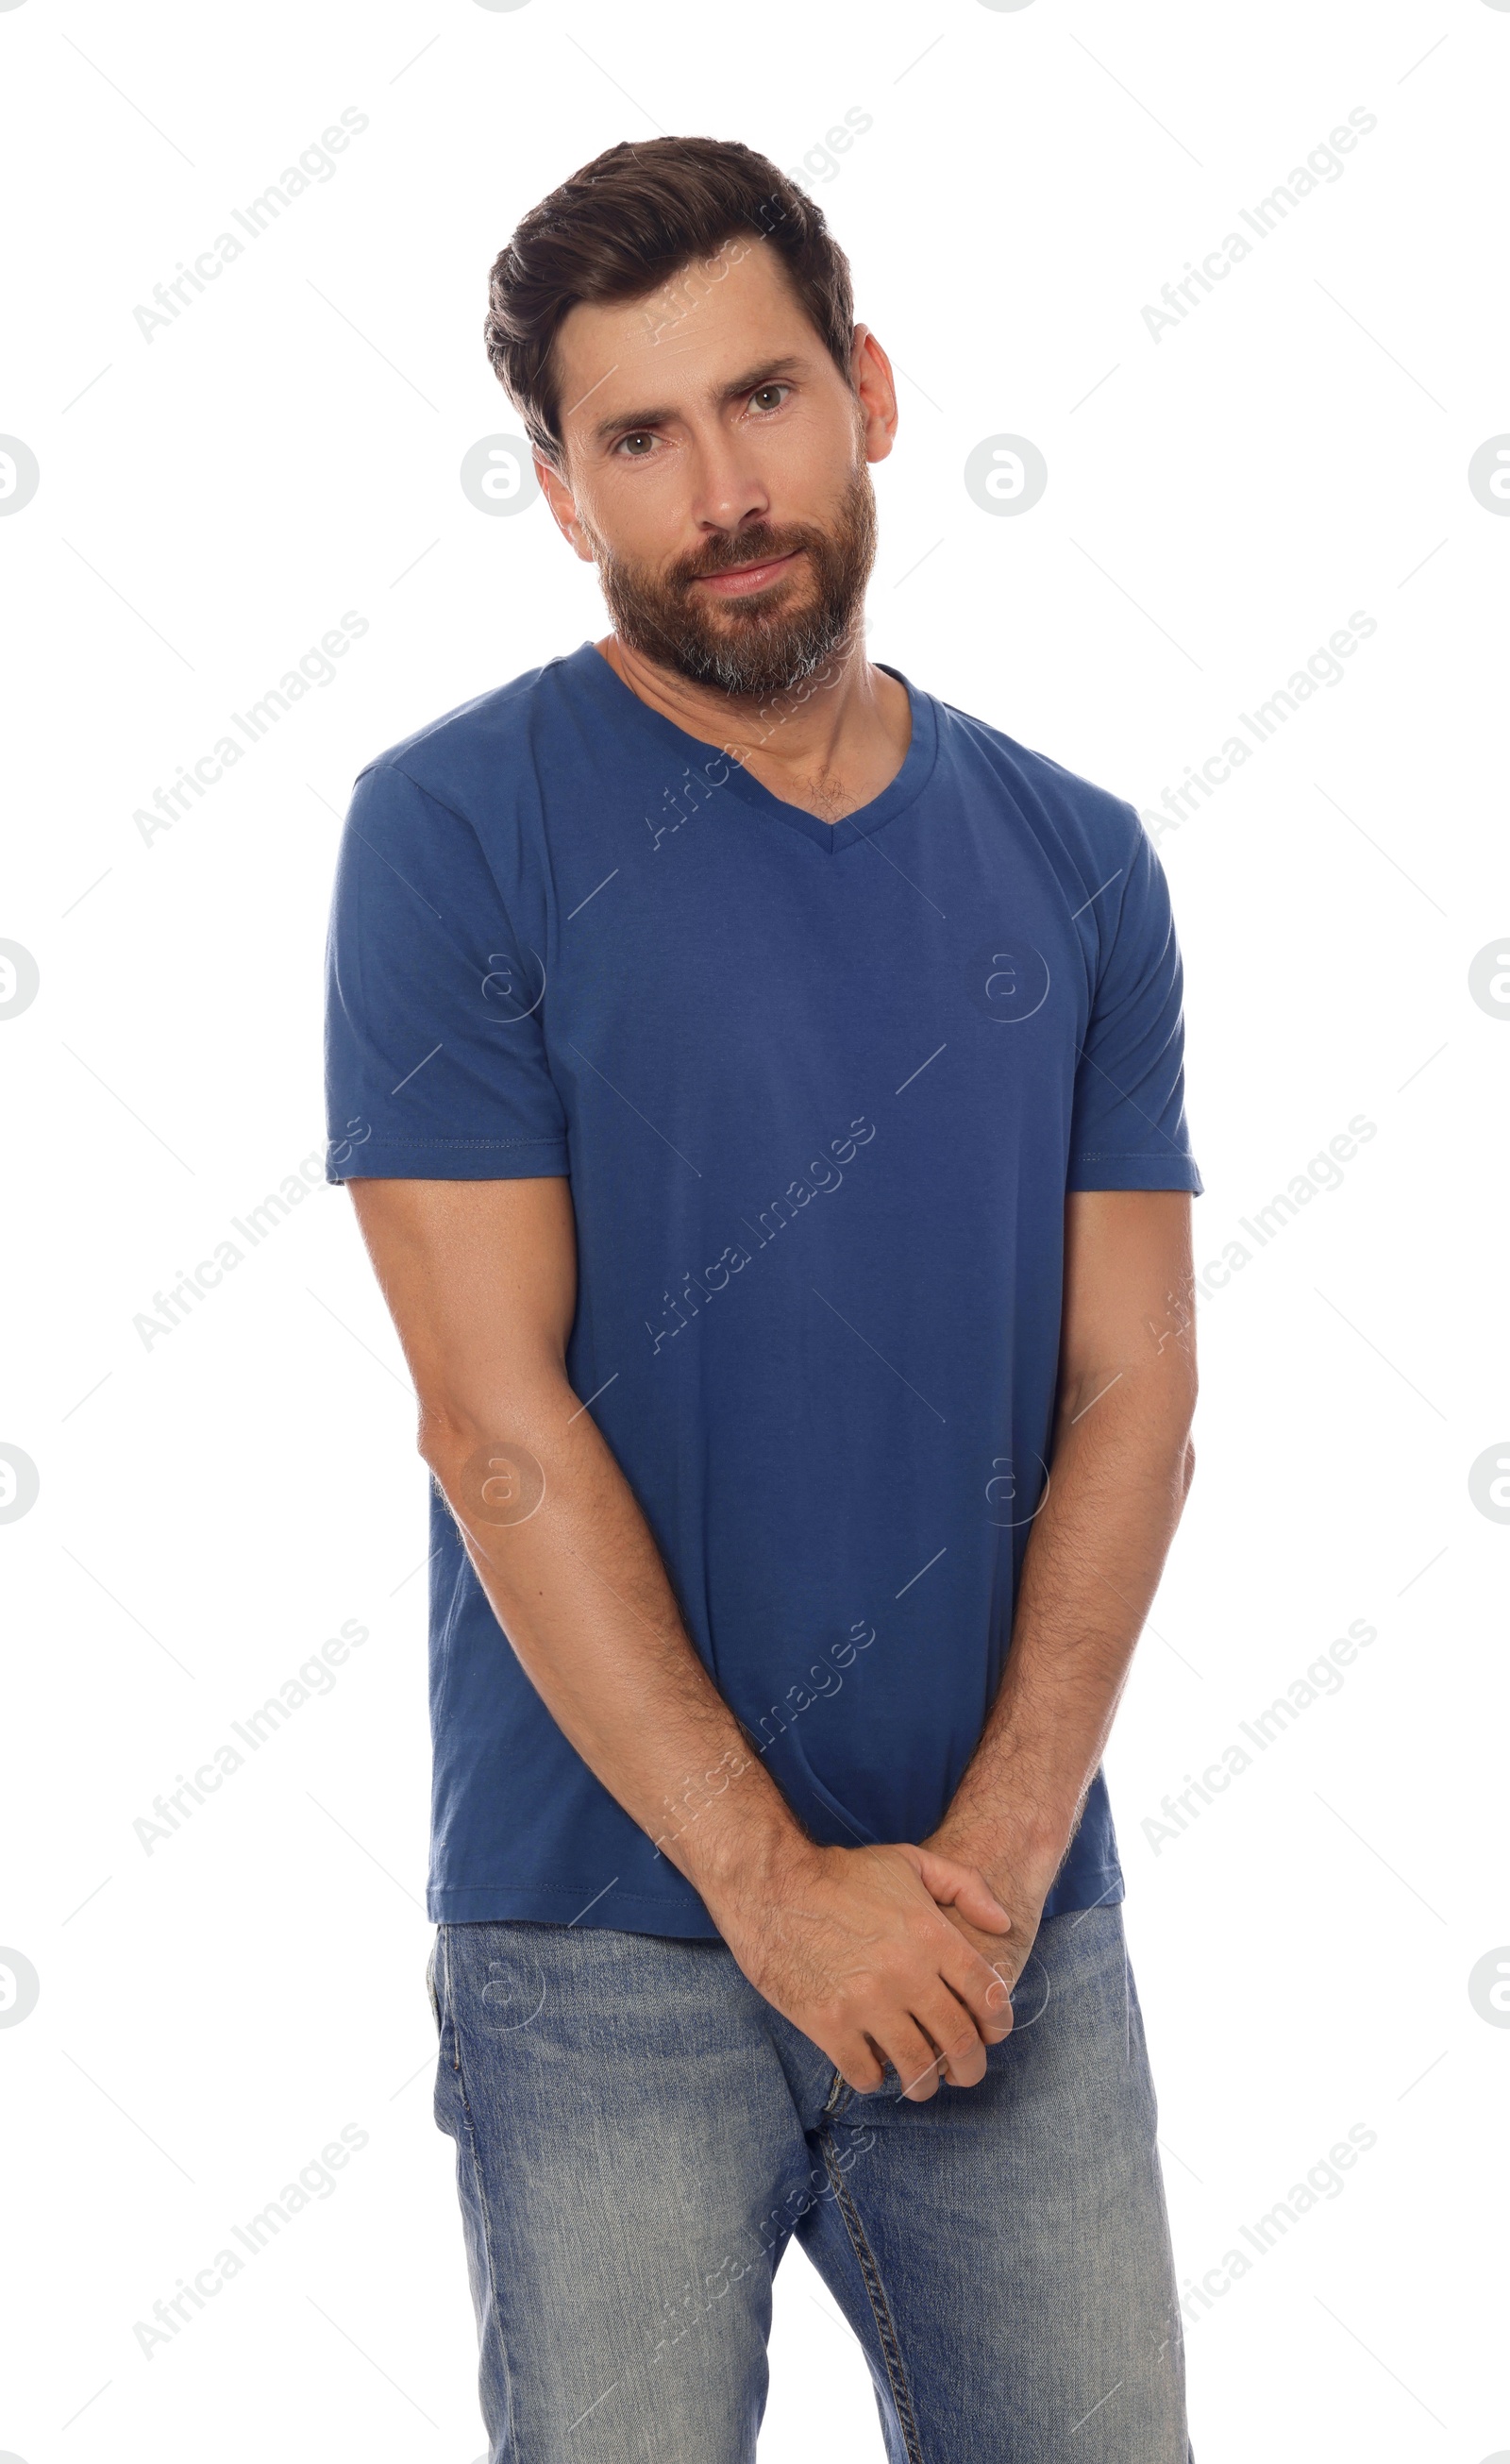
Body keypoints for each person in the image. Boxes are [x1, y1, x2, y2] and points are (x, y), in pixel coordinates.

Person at [323, 133, 1201, 2464]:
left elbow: (1135, 1388)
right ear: (559, 489)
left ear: (869, 391)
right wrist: (767, 1894)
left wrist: (994, 1868)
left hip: (1002, 1934)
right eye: (638, 440)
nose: (721, 488)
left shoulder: (1077, 862)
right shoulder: (452, 832)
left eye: (761, 400)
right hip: (600, 1946)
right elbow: (488, 1415)